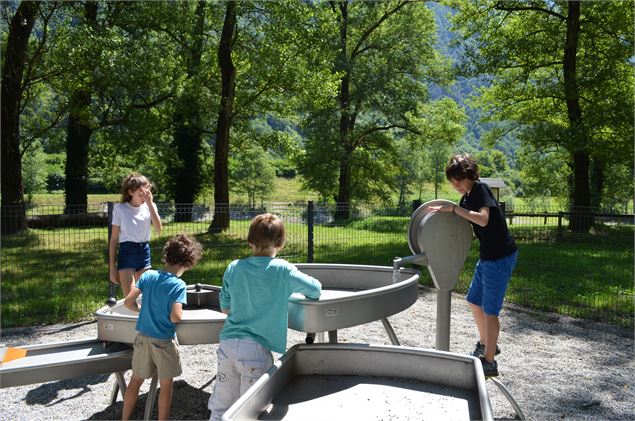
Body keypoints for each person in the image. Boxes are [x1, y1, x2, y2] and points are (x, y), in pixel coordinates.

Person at [208, 213, 322, 421]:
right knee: (249, 411)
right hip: (256, 350)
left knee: (221, 406)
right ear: (281, 243)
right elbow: (315, 289)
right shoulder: (283, 270)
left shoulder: (234, 267)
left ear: (250, 240)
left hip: (227, 344)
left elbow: (225, 306)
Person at [428, 154, 517, 377]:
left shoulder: (481, 190)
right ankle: (488, 344)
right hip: (487, 256)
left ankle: (489, 362)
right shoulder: (466, 198)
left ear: (469, 175)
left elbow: (483, 219)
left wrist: (455, 210)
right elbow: (464, 228)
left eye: (459, 179)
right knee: (473, 301)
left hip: (499, 257)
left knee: (490, 310)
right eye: (452, 181)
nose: (455, 184)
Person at [122, 233, 203, 421]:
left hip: (142, 339)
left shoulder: (148, 275)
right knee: (166, 386)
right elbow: (176, 316)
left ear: (166, 256)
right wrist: (177, 314)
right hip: (163, 342)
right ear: (186, 263)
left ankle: (125, 418)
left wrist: (142, 309)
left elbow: (128, 302)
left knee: (135, 381)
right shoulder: (178, 285)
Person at [109, 173, 163, 297]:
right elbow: (113, 239)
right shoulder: (120, 209)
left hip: (144, 251)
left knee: (146, 296)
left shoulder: (150, 206)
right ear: (130, 192)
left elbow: (159, 228)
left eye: (147, 191)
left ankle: (144, 316)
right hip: (127, 252)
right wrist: (112, 267)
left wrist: (150, 204)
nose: (144, 195)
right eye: (141, 193)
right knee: (129, 298)